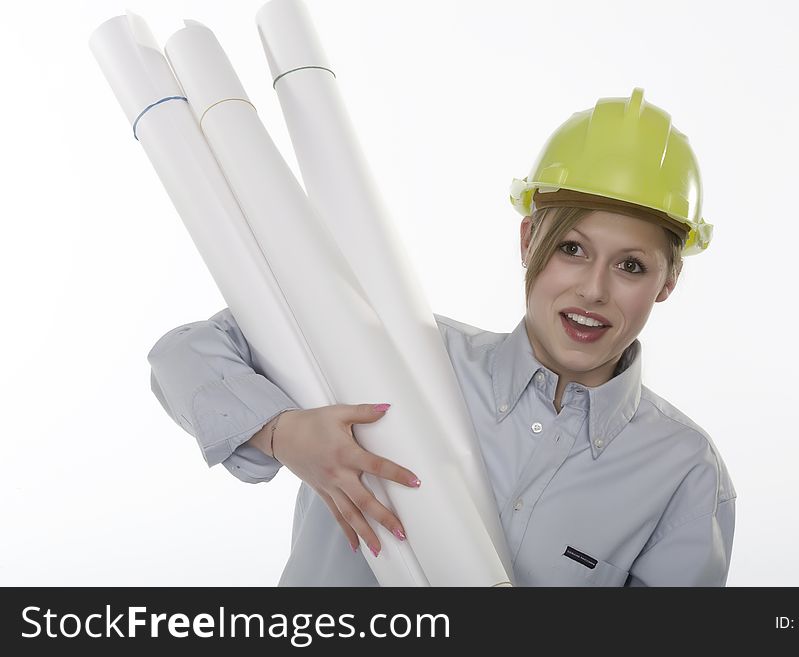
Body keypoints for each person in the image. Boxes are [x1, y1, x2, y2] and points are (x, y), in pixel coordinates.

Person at [148, 88, 736, 586]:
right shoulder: (397, 350)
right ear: (530, 240)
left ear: (668, 281)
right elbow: (185, 352)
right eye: (572, 249)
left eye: (631, 265)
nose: (593, 290)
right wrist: (283, 433)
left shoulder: (684, 472)